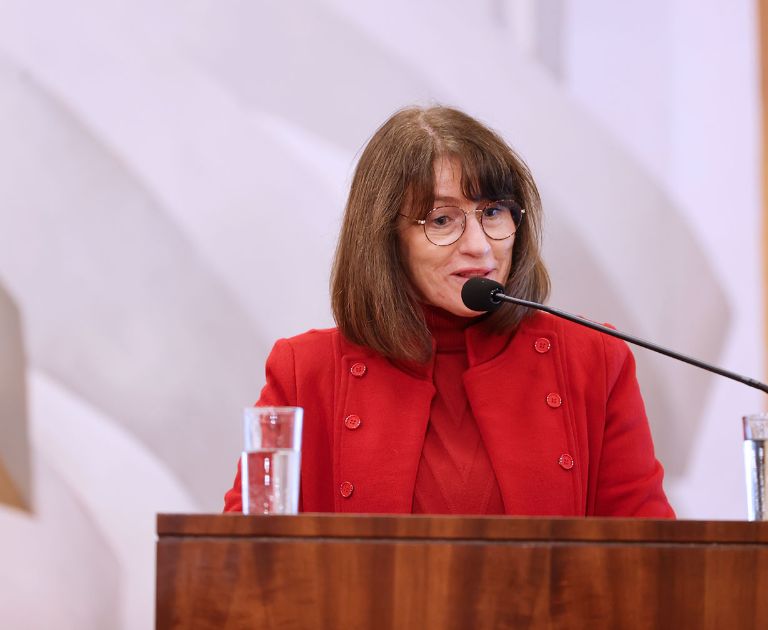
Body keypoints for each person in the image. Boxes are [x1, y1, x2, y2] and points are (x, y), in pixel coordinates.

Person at [223, 105, 675, 517]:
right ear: (386, 239)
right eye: (442, 220)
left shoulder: (595, 359)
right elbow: (247, 562)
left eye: (493, 212)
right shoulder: (306, 372)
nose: (480, 246)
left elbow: (651, 562)